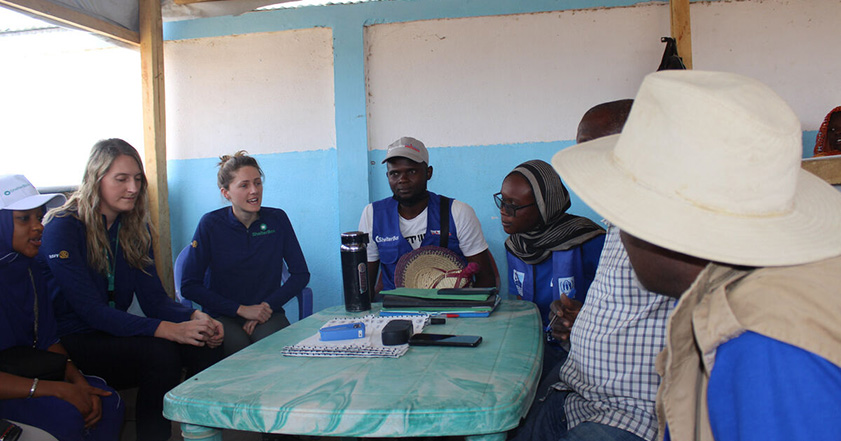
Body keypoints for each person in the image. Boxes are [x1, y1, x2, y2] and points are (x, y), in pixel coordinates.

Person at [553, 71, 841, 440]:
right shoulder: (738, 303)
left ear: (664, 226)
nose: (617, 231)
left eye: (621, 208)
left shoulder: (762, 346)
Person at [510, 99, 675, 441]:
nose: (581, 165)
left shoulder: (666, 226)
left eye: (592, 150)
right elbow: (636, 310)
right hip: (576, 394)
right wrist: (581, 320)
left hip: (628, 413)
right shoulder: (616, 221)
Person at [40, 139, 225, 441]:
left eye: (138, 178)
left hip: (111, 331)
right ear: (96, 179)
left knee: (202, 343)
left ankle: (199, 432)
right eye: (121, 179)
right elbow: (91, 312)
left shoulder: (134, 228)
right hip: (70, 339)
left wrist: (193, 317)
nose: (133, 188)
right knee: (160, 353)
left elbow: (154, 300)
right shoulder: (63, 226)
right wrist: (166, 329)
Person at [0, 174, 123, 441]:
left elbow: (48, 338)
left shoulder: (29, 269)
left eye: (39, 216)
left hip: (25, 371)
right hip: (8, 387)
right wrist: (56, 390)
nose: (38, 226)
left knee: (106, 400)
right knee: (67, 414)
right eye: (24, 219)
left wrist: (77, 382)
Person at [181, 151, 310, 356]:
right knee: (240, 353)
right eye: (244, 185)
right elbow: (189, 285)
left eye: (258, 183)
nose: (254, 191)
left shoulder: (277, 219)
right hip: (224, 315)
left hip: (267, 314)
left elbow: (301, 274)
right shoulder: (210, 224)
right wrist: (240, 309)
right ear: (226, 193)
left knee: (276, 352)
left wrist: (266, 306)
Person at [496, 159, 605, 376]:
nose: (504, 212)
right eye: (502, 201)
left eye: (514, 205)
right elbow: (519, 303)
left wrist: (580, 315)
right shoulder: (516, 246)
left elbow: (611, 308)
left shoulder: (589, 242)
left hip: (581, 353)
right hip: (530, 347)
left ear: (545, 206)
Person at [358, 136, 495, 294]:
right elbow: (364, 286)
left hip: (448, 312)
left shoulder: (458, 212)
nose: (402, 180)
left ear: (428, 173)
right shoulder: (373, 214)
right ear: (387, 177)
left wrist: (463, 311)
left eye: (412, 171)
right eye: (394, 174)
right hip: (394, 311)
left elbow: (486, 280)